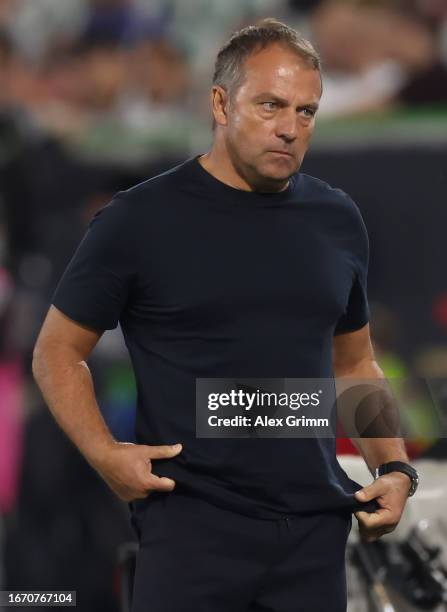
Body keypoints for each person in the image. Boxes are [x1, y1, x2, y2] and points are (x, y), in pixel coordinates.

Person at [32, 18, 418, 612]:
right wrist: (105, 454)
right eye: (270, 105)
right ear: (219, 101)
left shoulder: (337, 218)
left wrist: (393, 466)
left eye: (306, 111)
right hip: (190, 536)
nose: (290, 128)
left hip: (314, 538)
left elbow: (356, 361)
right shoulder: (138, 220)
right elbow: (57, 351)